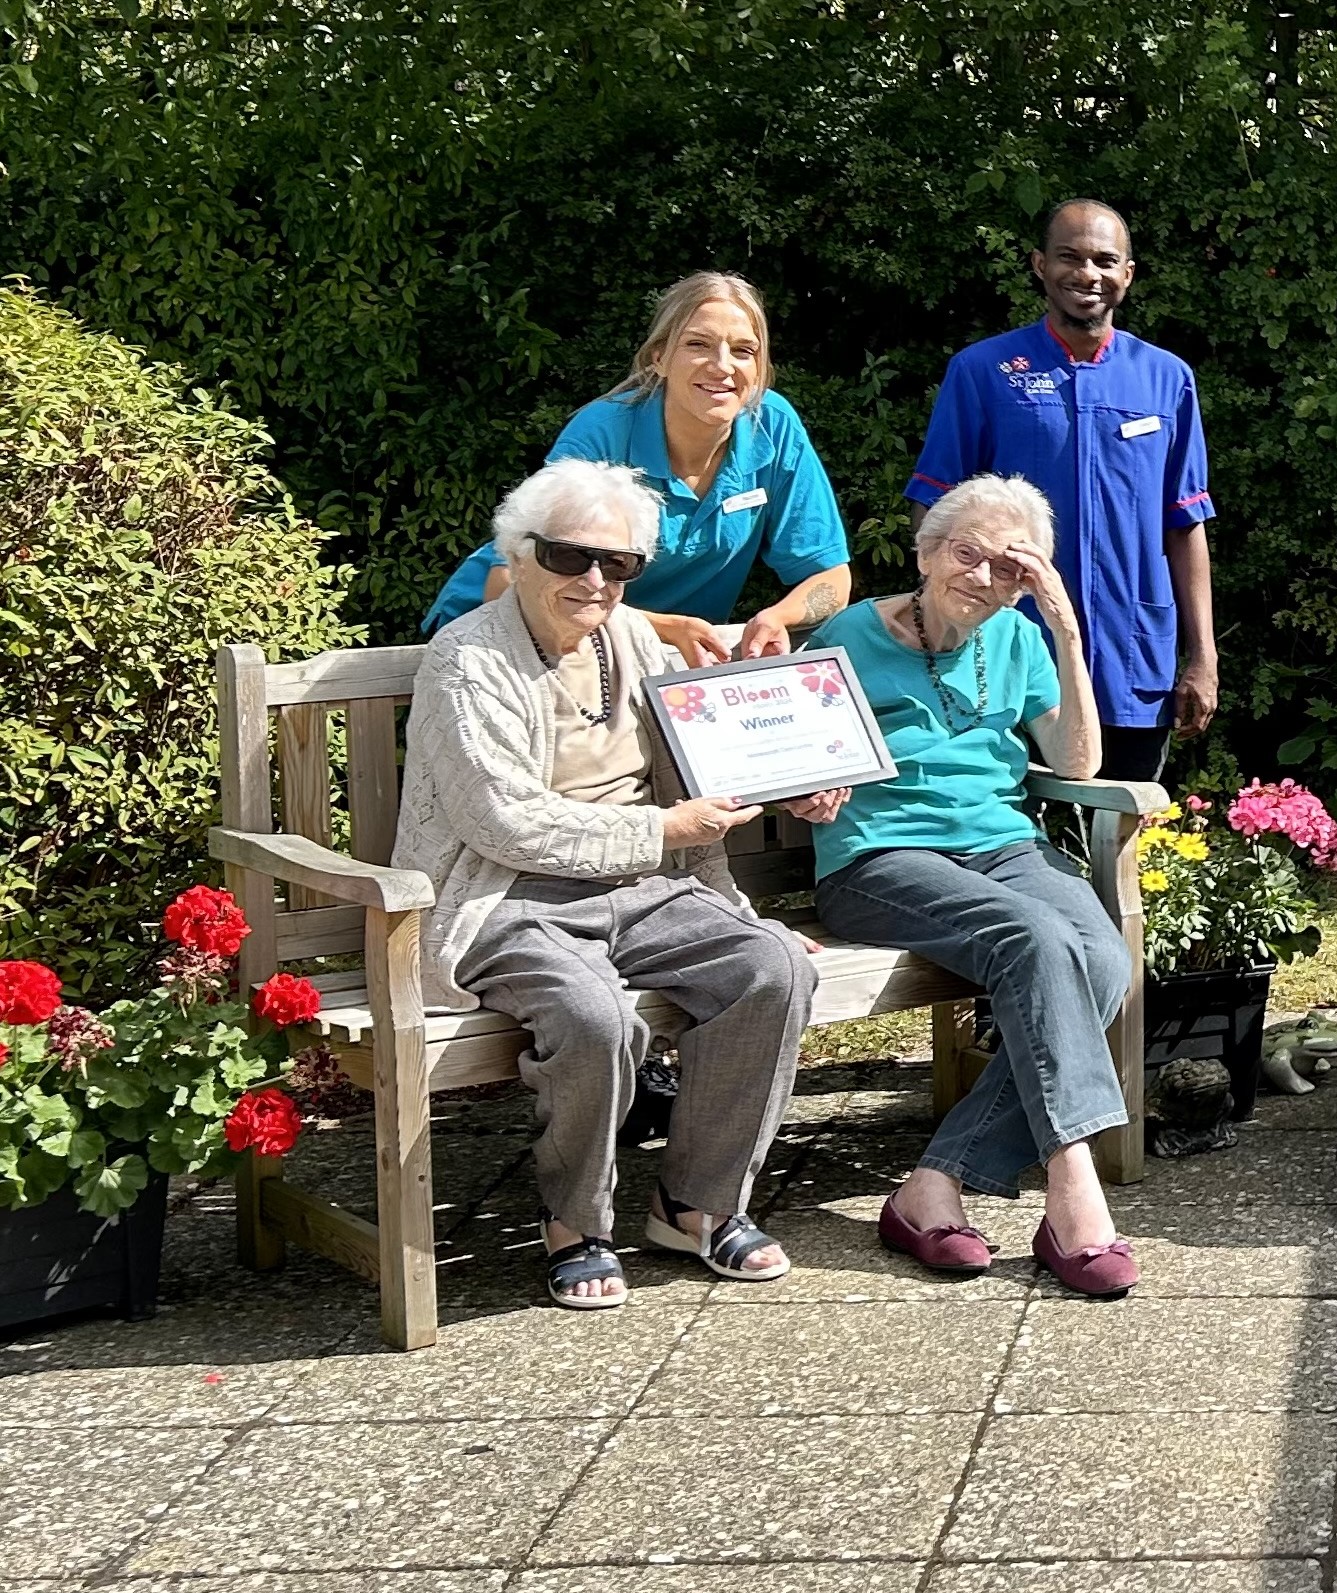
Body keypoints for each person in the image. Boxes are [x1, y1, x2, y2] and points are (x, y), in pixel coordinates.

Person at [397, 459, 821, 1310]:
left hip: (639, 882)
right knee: (595, 1017)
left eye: (619, 564)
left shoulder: (630, 639)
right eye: (569, 557)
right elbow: (503, 824)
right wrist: (663, 831)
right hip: (506, 894)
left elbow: (689, 776)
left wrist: (793, 794)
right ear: (519, 555)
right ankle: (574, 1223)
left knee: (773, 968)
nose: (595, 580)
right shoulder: (466, 661)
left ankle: (694, 1204)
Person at [804, 476, 1142, 1299]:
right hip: (878, 860)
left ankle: (934, 1183)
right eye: (966, 554)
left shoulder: (1020, 638)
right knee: (1036, 938)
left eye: (1010, 567)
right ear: (925, 553)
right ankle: (1073, 1192)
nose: (984, 577)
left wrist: (1062, 628)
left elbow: (1075, 765)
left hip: (1000, 848)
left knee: (1102, 958)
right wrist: (807, 789)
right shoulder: (849, 635)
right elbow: (797, 759)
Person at [907, 199, 1215, 783]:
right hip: (1006, 650)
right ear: (1039, 265)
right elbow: (934, 511)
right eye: (1069, 257)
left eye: (1105, 260)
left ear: (1127, 273)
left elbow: (1185, 523)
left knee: (1124, 831)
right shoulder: (984, 371)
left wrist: (1202, 658)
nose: (1087, 274)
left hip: (1133, 653)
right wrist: (940, 626)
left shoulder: (1167, 379)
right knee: (1012, 829)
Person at [421, 273, 853, 666]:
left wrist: (778, 617)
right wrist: (661, 628)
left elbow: (831, 577)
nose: (723, 366)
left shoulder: (774, 426)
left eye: (743, 351)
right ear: (659, 358)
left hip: (658, 654)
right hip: (512, 640)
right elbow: (510, 582)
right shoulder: (602, 432)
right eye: (697, 344)